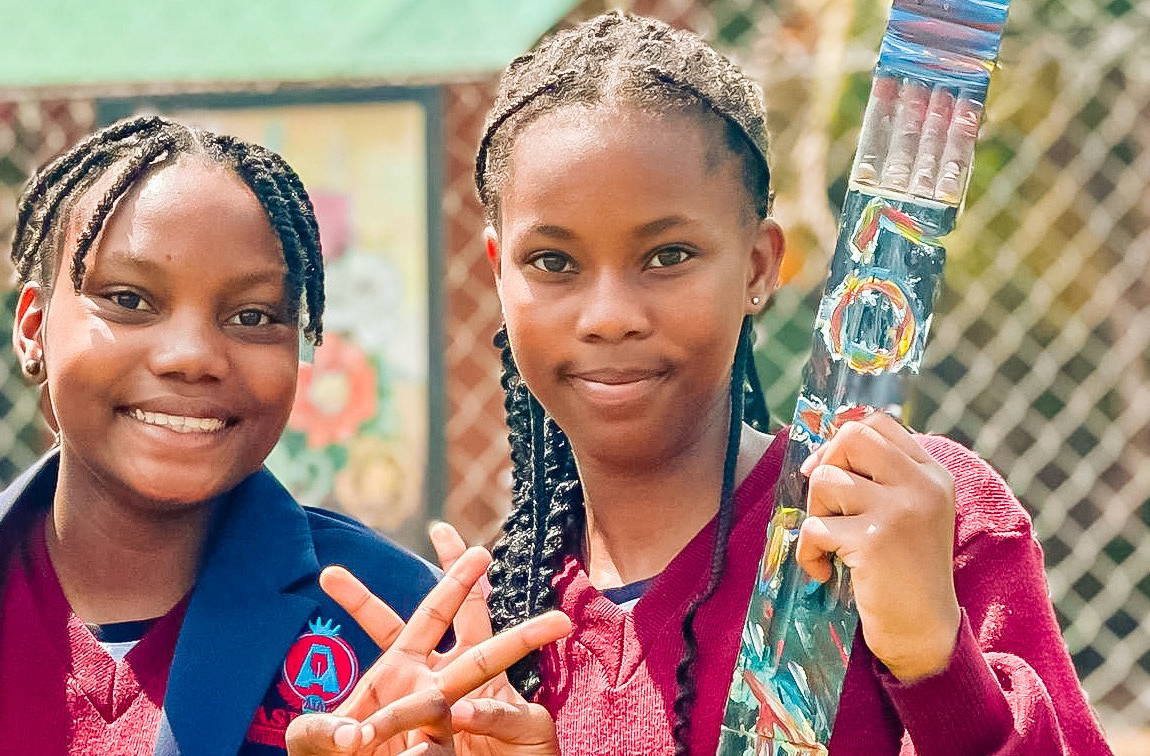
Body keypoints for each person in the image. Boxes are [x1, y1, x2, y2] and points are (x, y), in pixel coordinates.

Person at [292, 11, 1112, 755]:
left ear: (759, 266)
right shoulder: (496, 635)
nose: (610, 314)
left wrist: (937, 662)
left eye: (668, 256)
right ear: (497, 274)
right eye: (553, 263)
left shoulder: (898, 517)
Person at [0, 115, 443, 756]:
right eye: (130, 301)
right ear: (32, 331)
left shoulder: (398, 623)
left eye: (254, 314)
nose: (192, 355)